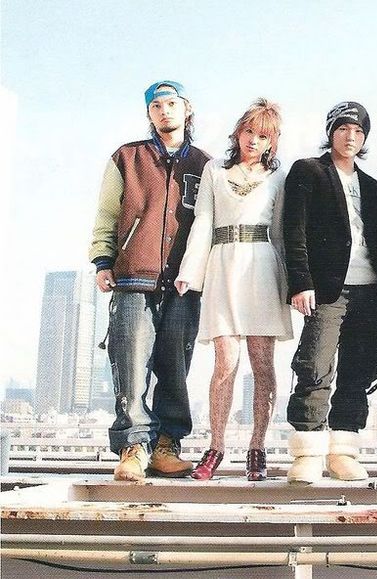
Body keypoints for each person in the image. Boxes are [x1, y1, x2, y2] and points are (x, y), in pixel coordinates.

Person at [88, 80, 211, 481]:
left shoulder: (206, 165)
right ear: (149, 114)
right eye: (156, 106)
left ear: (187, 110)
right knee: (131, 365)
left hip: (184, 283)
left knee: (175, 367)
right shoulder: (127, 157)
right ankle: (133, 448)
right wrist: (103, 260)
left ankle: (166, 445)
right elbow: (107, 213)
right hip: (132, 277)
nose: (164, 111)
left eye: (171, 103)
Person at [176, 99, 291, 481]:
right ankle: (216, 446)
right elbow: (203, 220)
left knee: (263, 363)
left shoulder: (279, 176)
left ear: (272, 141)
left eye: (263, 136)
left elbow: (281, 232)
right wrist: (190, 272)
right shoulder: (215, 170)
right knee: (225, 362)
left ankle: (258, 447)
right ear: (238, 132)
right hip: (223, 264)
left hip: (262, 265)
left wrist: (291, 285)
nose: (254, 141)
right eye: (249, 132)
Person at [282, 102, 377, 484]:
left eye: (358, 131)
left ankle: (343, 451)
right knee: (314, 365)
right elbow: (293, 230)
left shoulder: (371, 184)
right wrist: (300, 282)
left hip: (370, 289)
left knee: (358, 370)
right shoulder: (308, 171)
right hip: (327, 289)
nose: (350, 137)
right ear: (331, 132)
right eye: (343, 128)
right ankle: (308, 452)